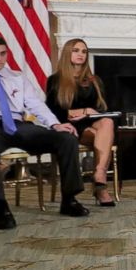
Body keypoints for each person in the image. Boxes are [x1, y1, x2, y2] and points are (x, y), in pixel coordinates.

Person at [0, 33, 88, 228]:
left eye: (3, 53)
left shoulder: (16, 77)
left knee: (66, 138)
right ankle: (0, 208)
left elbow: (35, 104)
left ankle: (69, 199)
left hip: (18, 125)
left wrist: (55, 124)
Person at [45, 39, 116, 206]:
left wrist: (90, 112)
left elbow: (103, 108)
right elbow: (53, 110)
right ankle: (101, 188)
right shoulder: (55, 80)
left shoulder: (94, 80)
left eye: (84, 52)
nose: (80, 55)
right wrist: (82, 111)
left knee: (107, 122)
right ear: (68, 53)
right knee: (103, 132)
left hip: (94, 123)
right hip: (70, 126)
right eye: (76, 50)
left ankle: (99, 175)